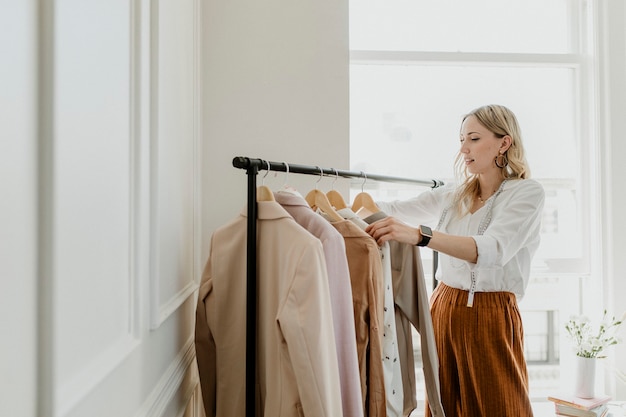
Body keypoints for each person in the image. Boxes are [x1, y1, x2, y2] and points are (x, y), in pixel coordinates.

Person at [365, 104, 544, 416]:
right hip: (444, 306)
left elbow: (492, 250)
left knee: (503, 404)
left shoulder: (527, 193)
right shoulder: (454, 194)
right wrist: (329, 205)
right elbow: (394, 208)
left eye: (473, 139)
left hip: (492, 312)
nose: (463, 149)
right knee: (444, 403)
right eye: (462, 139)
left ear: (504, 142)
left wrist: (421, 236)